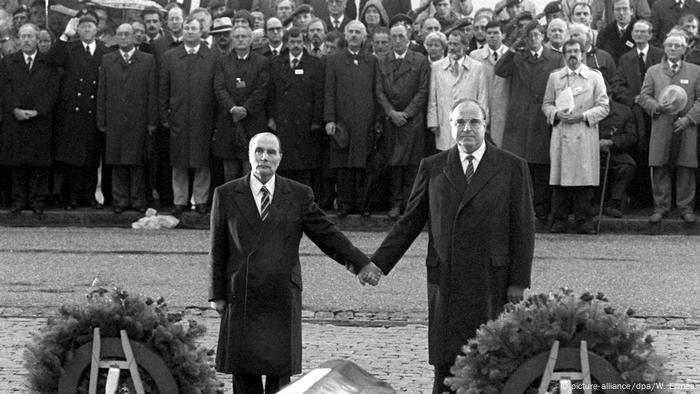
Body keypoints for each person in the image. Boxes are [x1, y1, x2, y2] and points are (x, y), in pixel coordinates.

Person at [366, 100, 535, 394]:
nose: (466, 128)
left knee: (491, 359)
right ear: (450, 125)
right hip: (447, 278)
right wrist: (377, 263)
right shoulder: (433, 167)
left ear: (486, 125)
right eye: (460, 122)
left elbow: (523, 229)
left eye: (474, 122)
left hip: (491, 280)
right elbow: (410, 222)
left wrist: (519, 281)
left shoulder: (512, 167)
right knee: (447, 363)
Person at [209, 132, 377, 394]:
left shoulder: (298, 195)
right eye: (259, 151)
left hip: (281, 295)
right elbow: (217, 249)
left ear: (280, 158)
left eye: (271, 152)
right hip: (241, 294)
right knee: (244, 376)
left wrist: (361, 264)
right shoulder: (227, 194)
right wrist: (216, 295)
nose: (264, 157)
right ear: (249, 156)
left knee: (280, 376)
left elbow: (326, 234)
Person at [495, 20, 562, 221]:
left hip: (542, 118)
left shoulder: (555, 58)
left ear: (543, 36)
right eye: (529, 36)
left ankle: (540, 209)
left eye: (536, 35)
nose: (533, 39)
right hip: (519, 119)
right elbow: (500, 70)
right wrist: (512, 49)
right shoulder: (517, 57)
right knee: (519, 165)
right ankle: (519, 210)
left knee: (541, 165)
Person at [542, 39, 610, 234]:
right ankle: (559, 220)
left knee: (583, 178)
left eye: (576, 51)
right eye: (569, 52)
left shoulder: (594, 78)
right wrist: (556, 114)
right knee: (560, 178)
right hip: (562, 132)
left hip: (583, 133)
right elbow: (546, 104)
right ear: (564, 55)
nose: (573, 55)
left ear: (583, 54)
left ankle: (584, 220)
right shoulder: (556, 78)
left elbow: (604, 106)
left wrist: (583, 116)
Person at [49, 9, 112, 210]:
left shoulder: (105, 51)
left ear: (97, 29)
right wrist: (66, 35)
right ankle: (72, 197)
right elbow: (53, 59)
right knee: (72, 158)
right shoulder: (70, 47)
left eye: (90, 25)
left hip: (93, 110)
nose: (86, 28)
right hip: (72, 112)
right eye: (83, 25)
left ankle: (90, 196)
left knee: (92, 158)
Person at [637, 33, 699, 224]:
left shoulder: (696, 71)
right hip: (661, 124)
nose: (673, 49)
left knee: (686, 166)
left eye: (677, 46)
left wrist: (688, 119)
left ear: (684, 49)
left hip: (686, 127)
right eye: (670, 45)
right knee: (660, 164)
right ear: (664, 48)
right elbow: (644, 96)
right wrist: (655, 106)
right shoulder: (653, 71)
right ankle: (660, 207)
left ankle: (686, 207)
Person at [97, 23, 158, 214]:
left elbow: (152, 92)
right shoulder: (108, 60)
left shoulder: (147, 60)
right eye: (120, 34)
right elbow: (102, 91)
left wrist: (151, 121)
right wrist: (102, 120)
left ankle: (138, 200)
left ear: (134, 37)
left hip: (138, 119)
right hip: (114, 119)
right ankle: (120, 200)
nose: (123, 37)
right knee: (117, 162)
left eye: (127, 34)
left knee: (137, 162)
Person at [159, 16, 217, 215]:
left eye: (194, 28)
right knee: (179, 161)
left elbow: (216, 89)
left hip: (204, 117)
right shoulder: (170, 56)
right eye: (187, 28)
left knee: (202, 162)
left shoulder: (212, 56)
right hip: (178, 117)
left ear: (202, 32)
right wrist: (164, 115)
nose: (189, 31)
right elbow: (163, 88)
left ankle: (201, 200)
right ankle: (180, 200)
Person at [1, 23, 59, 214]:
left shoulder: (48, 63)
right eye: (22, 36)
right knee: (17, 163)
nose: (26, 40)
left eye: (30, 36)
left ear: (37, 39)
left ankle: (37, 201)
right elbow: (4, 89)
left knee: (38, 163)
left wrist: (39, 111)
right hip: (15, 120)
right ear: (18, 39)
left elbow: (52, 90)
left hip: (39, 121)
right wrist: (15, 109)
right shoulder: (8, 62)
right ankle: (18, 200)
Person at [324, 20, 378, 216]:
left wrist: (376, 120)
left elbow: (375, 91)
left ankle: (363, 206)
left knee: (363, 163)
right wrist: (329, 119)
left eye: (358, 32)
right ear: (345, 36)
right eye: (351, 32)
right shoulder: (334, 60)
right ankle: (345, 206)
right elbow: (329, 91)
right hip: (342, 120)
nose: (354, 35)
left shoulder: (371, 61)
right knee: (343, 164)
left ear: (364, 37)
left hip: (365, 120)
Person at [376, 24, 429, 219]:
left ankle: (410, 204)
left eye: (401, 36)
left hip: (412, 121)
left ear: (408, 39)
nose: (397, 40)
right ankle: (395, 203)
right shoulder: (382, 61)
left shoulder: (420, 60)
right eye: (394, 37)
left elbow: (423, 91)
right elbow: (379, 90)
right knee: (394, 164)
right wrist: (391, 112)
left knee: (412, 165)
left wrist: (406, 114)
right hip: (392, 121)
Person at [267, 27, 323, 188]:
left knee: (304, 166)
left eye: (299, 42)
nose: (296, 45)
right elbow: (271, 94)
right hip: (283, 122)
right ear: (287, 43)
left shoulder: (314, 64)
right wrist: (271, 117)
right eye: (292, 42)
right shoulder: (276, 63)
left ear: (304, 42)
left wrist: (316, 121)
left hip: (305, 123)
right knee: (284, 165)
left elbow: (319, 95)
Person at [214, 25, 270, 182]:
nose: (240, 39)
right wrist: (233, 108)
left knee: (251, 168)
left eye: (244, 36)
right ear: (232, 39)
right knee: (230, 171)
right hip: (229, 121)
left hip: (252, 121)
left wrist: (245, 109)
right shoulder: (222, 61)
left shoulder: (262, 62)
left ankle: (250, 204)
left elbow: (262, 89)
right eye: (237, 36)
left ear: (251, 39)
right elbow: (219, 88)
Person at [428, 29, 488, 151]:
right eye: (450, 44)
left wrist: (482, 122)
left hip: (469, 122)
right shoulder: (437, 67)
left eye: (456, 44)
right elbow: (432, 98)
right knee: (447, 157)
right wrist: (432, 122)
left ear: (465, 46)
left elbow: (482, 97)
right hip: (445, 122)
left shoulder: (477, 68)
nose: (452, 48)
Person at [597, 95, 638, 218]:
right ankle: (592, 203)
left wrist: (612, 142)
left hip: (614, 150)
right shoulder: (586, 107)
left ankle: (614, 202)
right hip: (590, 151)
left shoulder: (624, 111)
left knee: (628, 165)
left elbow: (631, 136)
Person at [470, 19, 509, 147]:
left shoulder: (510, 55)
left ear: (503, 35)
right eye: (489, 33)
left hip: (503, 109)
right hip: (482, 106)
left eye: (496, 33)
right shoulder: (475, 56)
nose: (492, 36)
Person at [596, 0, 635, 65]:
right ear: (613, 12)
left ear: (631, 11)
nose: (621, 13)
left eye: (625, 9)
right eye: (617, 9)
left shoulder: (640, 31)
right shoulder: (604, 33)